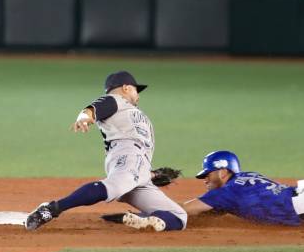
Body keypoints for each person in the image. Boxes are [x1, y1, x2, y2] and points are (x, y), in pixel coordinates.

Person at [25, 71, 187, 232]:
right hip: (127, 154)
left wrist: (151, 174)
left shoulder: (130, 110)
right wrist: (83, 118)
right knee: (113, 187)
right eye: (136, 90)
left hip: (138, 168)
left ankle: (146, 220)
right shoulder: (115, 100)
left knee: (179, 216)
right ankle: (51, 209)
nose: (138, 95)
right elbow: (92, 109)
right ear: (125, 88)